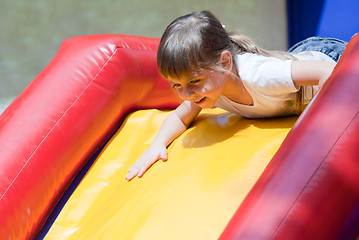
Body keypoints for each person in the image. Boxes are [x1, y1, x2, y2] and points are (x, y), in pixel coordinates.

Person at [125, 10, 347, 181]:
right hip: (294, 66)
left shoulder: (258, 75)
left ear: (224, 63)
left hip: (333, 58)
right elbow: (179, 116)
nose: (186, 93)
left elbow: (326, 72)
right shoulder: (208, 88)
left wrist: (313, 123)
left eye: (193, 81)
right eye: (176, 85)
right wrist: (157, 145)